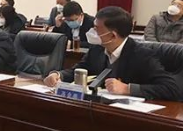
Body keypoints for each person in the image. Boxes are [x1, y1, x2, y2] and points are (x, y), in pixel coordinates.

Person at [43, 6, 181, 101]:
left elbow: (172, 89)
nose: (92, 32)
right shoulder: (97, 49)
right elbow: (79, 70)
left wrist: (128, 89)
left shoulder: (142, 55)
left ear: (113, 35)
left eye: (96, 29)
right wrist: (58, 75)